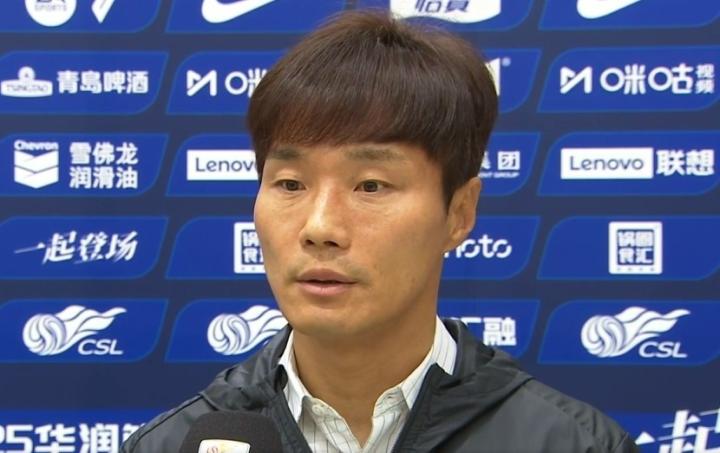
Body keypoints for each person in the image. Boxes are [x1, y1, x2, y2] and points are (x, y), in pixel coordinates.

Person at [122, 10, 638, 453]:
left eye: (370, 185)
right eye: (290, 183)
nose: (320, 227)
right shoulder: (174, 444)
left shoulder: (571, 443)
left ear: (459, 213)